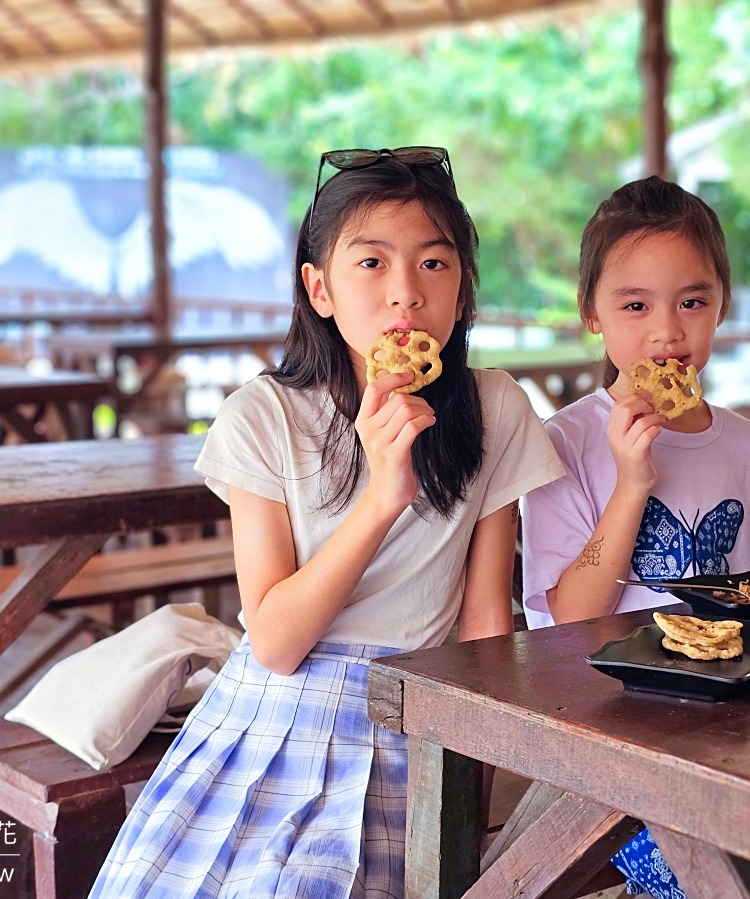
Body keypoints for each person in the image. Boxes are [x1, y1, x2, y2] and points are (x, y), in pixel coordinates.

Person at [89, 147, 564, 899]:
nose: (405, 294)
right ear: (320, 288)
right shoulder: (264, 416)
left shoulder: (494, 406)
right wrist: (383, 496)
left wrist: (480, 784)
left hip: (422, 711)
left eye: (435, 265)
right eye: (371, 263)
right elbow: (276, 642)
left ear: (464, 295)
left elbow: (483, 626)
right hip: (276, 715)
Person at [520, 176, 750, 899]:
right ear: (592, 313)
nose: (667, 332)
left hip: (731, 728)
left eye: (692, 301)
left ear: (721, 306)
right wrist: (632, 483)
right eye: (635, 304)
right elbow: (571, 620)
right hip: (603, 729)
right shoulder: (562, 444)